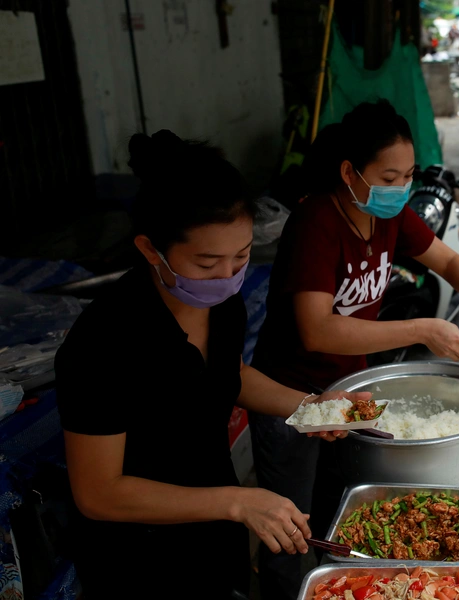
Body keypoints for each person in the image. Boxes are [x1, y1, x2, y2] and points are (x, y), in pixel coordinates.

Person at [54, 130, 366, 599]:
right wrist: (238, 501)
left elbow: (230, 376)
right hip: (139, 556)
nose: (227, 276)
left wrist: (311, 407)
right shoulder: (102, 343)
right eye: (205, 263)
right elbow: (99, 493)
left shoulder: (224, 305)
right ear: (149, 249)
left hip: (214, 531)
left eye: (240, 257)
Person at [249, 100, 459, 600]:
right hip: (288, 398)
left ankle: (342, 585)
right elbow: (318, 331)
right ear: (349, 171)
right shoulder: (315, 224)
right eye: (389, 175)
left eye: (409, 175)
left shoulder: (388, 216)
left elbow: (446, 258)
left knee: (340, 504)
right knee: (289, 525)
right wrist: (420, 329)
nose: (400, 188)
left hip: (345, 392)